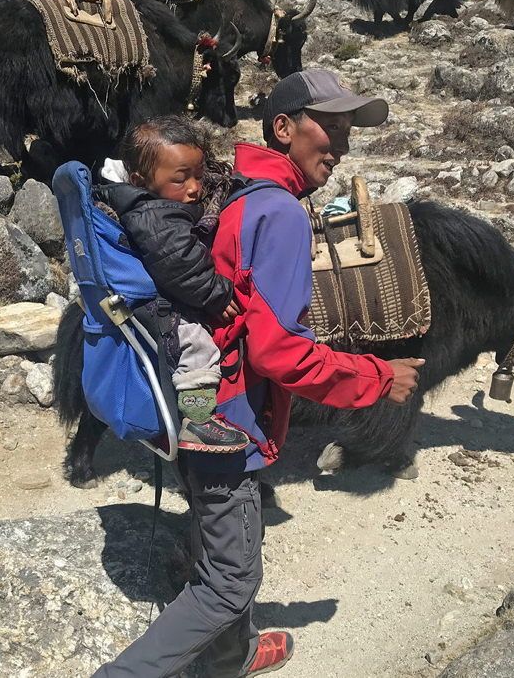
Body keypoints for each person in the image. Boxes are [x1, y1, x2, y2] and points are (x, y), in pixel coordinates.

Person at [93, 70, 425, 678]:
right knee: (230, 579)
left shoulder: (239, 191)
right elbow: (278, 353)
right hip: (228, 419)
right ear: (283, 128)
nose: (343, 145)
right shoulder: (281, 215)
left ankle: (229, 657)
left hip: (191, 397)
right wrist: (377, 378)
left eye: (349, 130)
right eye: (332, 127)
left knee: (216, 534)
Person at [96, 116, 252, 453]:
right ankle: (198, 420)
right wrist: (215, 292)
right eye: (181, 179)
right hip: (152, 306)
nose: (195, 188)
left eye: (198, 175)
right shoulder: (154, 215)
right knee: (196, 345)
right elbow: (177, 263)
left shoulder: (152, 201)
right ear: (141, 180)